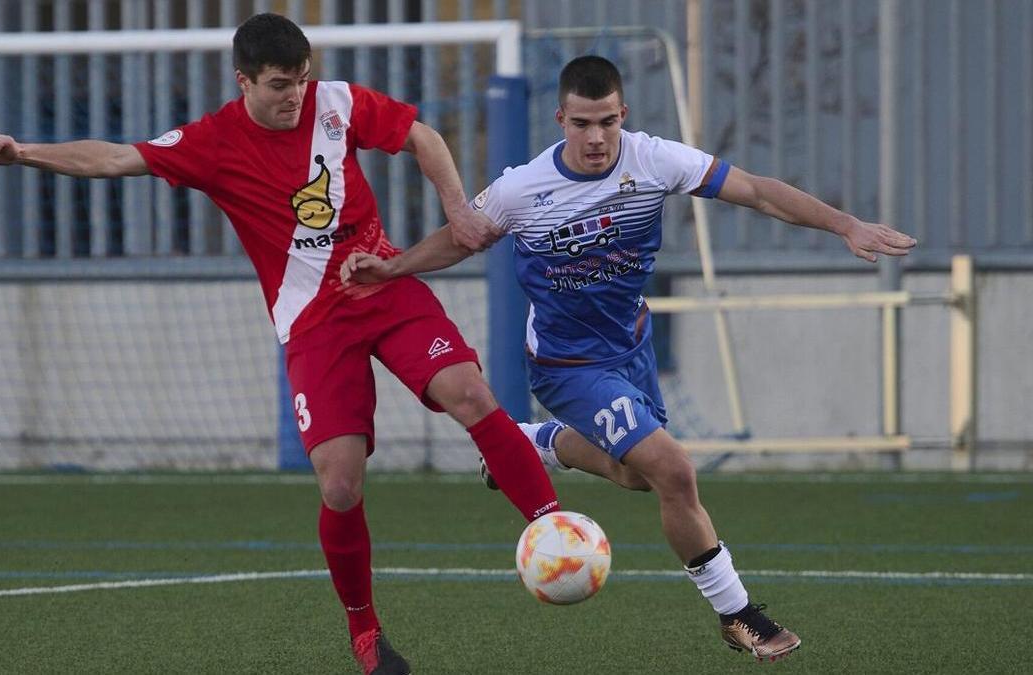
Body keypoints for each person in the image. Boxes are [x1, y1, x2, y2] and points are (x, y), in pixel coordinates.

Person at [0, 13, 562, 675]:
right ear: (244, 80)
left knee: (472, 392)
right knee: (339, 484)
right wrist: (24, 153)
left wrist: (456, 206)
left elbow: (421, 135)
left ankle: (554, 526)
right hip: (314, 324)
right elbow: (115, 158)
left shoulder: (336, 103)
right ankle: (365, 632)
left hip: (384, 286)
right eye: (280, 84)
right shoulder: (213, 141)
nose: (295, 96)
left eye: (301, 80)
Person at [341, 54, 918, 663]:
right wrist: (393, 268)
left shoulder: (653, 159)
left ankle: (538, 442)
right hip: (566, 365)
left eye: (608, 123)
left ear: (625, 116)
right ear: (561, 118)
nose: (596, 138)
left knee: (636, 476)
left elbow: (756, 192)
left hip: (630, 348)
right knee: (674, 470)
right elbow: (462, 238)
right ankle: (738, 614)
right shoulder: (523, 187)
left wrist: (845, 224)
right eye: (583, 123)